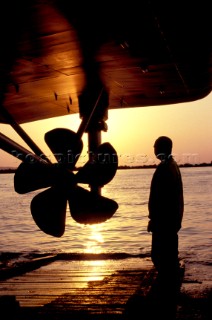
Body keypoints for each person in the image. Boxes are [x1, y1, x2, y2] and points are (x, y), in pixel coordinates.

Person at [147, 136, 184, 319]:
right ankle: (169, 289)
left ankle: (166, 295)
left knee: (160, 256)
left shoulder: (165, 169)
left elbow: (162, 199)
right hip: (170, 221)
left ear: (162, 148)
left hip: (164, 222)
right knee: (168, 256)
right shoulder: (172, 166)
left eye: (155, 146)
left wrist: (154, 219)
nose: (153, 149)